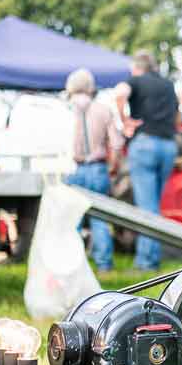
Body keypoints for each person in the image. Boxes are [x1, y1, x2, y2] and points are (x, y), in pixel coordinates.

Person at [114, 51, 180, 271]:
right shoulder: (168, 85)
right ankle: (152, 257)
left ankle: (145, 262)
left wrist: (125, 120)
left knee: (146, 208)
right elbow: (177, 116)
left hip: (145, 144)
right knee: (154, 205)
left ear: (136, 67)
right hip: (169, 146)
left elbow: (120, 93)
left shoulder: (135, 80)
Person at [63, 68, 120, 272]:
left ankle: (73, 265)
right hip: (97, 168)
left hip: (74, 169)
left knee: (73, 220)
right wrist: (114, 166)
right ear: (90, 86)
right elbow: (116, 143)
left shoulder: (65, 109)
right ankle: (104, 265)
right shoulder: (104, 110)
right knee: (100, 219)